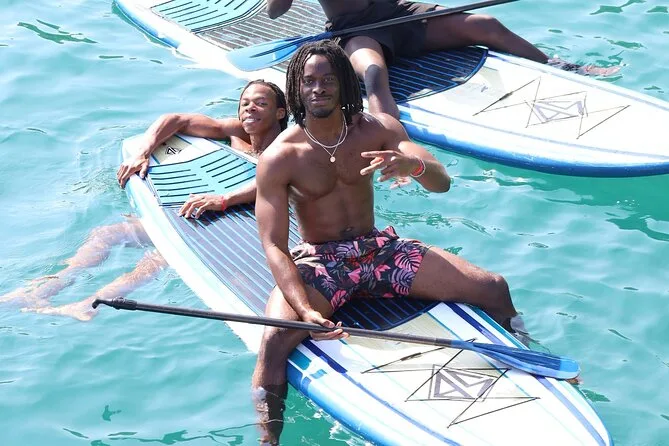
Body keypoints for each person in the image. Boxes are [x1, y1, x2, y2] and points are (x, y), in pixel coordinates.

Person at [251, 40, 527, 444]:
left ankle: (526, 358)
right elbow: (274, 245)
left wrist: (413, 165)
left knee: (493, 288)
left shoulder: (377, 129)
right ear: (297, 88)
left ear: (344, 84)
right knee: (275, 340)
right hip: (323, 262)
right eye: (309, 81)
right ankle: (268, 437)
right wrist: (305, 309)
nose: (318, 89)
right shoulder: (281, 156)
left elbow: (441, 183)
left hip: (377, 251)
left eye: (328, 80)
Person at [1, 80, 287, 321]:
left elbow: (274, 179)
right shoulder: (237, 133)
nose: (249, 108)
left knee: (161, 255)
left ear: (280, 113)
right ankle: (43, 290)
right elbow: (176, 120)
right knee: (107, 234)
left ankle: (89, 305)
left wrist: (223, 199)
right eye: (245, 103)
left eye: (260, 103)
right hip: (205, 210)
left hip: (244, 224)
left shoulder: (288, 148)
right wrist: (143, 152)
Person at [266, 0, 618, 118]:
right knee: (373, 71)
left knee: (486, 24)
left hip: (402, 15)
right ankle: (389, 135)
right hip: (357, 30)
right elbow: (274, 12)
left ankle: (560, 66)